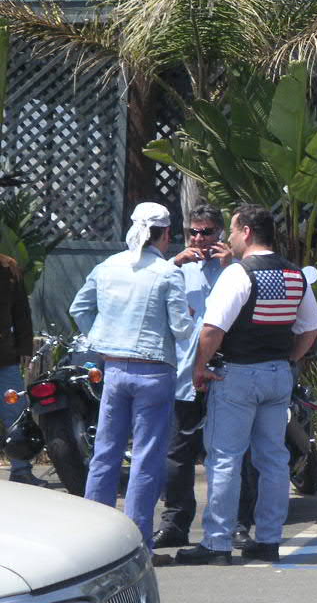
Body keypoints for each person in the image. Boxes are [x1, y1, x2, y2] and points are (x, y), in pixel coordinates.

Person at [177, 204, 317, 566]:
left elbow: (212, 329)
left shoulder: (238, 273)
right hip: (278, 375)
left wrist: (199, 368)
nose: (228, 237)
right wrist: (288, 359)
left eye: (231, 230)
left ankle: (217, 543)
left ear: (246, 232)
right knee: (273, 458)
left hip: (238, 374)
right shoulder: (294, 274)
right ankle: (268, 540)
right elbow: (311, 328)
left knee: (225, 458)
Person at [69, 203, 194, 556]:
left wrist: (101, 337)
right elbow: (181, 329)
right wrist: (190, 316)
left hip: (114, 369)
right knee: (146, 457)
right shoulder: (168, 273)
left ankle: (93, 540)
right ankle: (137, 544)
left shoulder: (108, 266)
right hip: (154, 371)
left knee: (105, 453)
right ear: (165, 235)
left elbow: (79, 309)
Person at [152, 204, 232, 550]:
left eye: (207, 232)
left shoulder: (235, 270)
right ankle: (175, 523)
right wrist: (173, 264)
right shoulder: (175, 269)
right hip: (185, 373)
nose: (199, 239)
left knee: (230, 453)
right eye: (193, 232)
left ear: (221, 234)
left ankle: (236, 524)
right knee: (176, 453)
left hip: (226, 371)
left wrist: (230, 266)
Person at [0, 253, 46, 486]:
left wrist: (24, 346)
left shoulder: (7, 268)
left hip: (4, 358)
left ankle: (21, 470)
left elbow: (21, 312)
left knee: (16, 415)